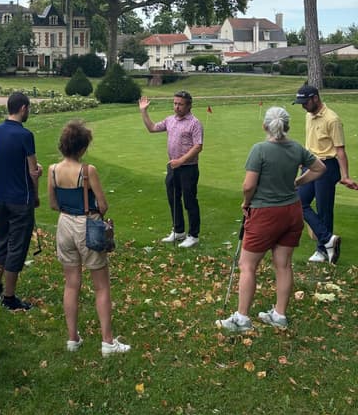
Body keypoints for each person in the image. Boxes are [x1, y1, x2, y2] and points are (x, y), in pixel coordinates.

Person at [217, 106, 326, 333]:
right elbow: (319, 168)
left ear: (265, 126)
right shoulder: (296, 148)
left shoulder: (260, 150)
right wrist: (297, 183)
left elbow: (248, 185)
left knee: (247, 265)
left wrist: (246, 202)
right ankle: (279, 315)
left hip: (266, 214)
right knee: (283, 265)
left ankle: (242, 318)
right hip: (292, 211)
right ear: (287, 126)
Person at [48, 121, 131, 356]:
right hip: (87, 224)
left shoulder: (53, 170)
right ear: (82, 147)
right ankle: (107, 342)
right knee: (101, 285)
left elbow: (53, 204)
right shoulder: (88, 171)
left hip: (63, 224)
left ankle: (72, 339)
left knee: (71, 283)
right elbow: (103, 204)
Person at [293, 84, 358, 263]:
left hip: (327, 167)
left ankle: (323, 250)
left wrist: (345, 176)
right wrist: (303, 161)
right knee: (299, 201)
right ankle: (328, 240)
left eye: (305, 102)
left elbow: (340, 150)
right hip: (310, 164)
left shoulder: (332, 119)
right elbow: (310, 142)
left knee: (324, 209)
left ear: (315, 98)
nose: (303, 106)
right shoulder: (309, 115)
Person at [0, 92, 41, 310]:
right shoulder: (25, 135)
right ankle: (9, 298)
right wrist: (36, 192)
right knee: (17, 248)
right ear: (23, 108)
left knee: (2, 241)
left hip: (2, 196)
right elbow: (32, 170)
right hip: (21, 198)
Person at [139, 91, 203, 247]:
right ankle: (179, 231)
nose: (177, 107)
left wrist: (181, 161)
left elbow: (198, 146)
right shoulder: (170, 120)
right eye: (175, 103)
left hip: (188, 168)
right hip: (173, 167)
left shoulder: (195, 123)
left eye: (180, 104)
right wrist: (143, 111)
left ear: (189, 105)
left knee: (189, 201)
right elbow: (152, 128)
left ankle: (193, 235)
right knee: (173, 199)